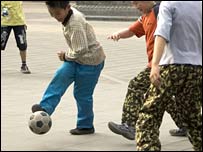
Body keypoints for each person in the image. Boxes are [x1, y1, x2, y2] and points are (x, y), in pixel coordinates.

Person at [107, 1, 186, 140]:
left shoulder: (161, 11)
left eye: (138, 2)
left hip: (162, 63)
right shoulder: (145, 16)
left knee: (135, 85)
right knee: (164, 97)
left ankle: (129, 125)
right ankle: (186, 125)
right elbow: (132, 30)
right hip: (159, 63)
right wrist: (118, 34)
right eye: (133, 3)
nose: (136, 6)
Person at [31, 1, 106, 135]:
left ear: (67, 8)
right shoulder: (68, 15)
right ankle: (45, 108)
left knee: (82, 95)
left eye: (58, 13)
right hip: (76, 59)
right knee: (60, 75)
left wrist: (65, 55)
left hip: (91, 62)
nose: (55, 17)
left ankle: (85, 125)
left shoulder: (75, 23)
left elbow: (81, 49)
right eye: (51, 13)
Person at [135, 1, 202, 151]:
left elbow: (161, 34)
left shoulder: (169, 4)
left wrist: (155, 64)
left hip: (172, 65)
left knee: (149, 114)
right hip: (196, 68)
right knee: (193, 116)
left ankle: (148, 148)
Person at [1, 1, 31, 74]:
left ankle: (24, 65)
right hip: (4, 22)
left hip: (19, 21)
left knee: (22, 44)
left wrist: (24, 22)